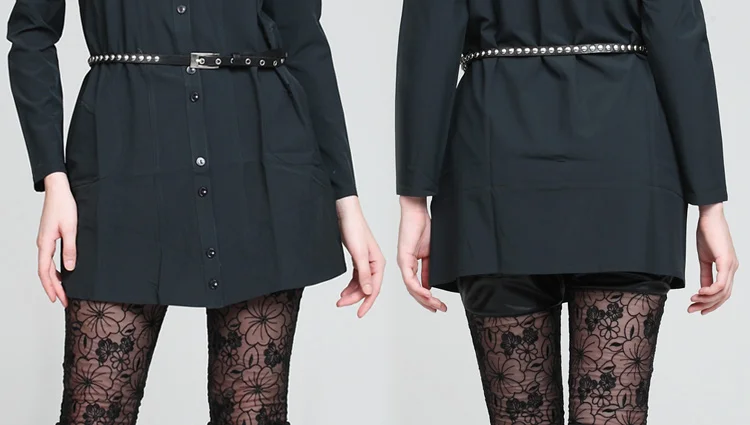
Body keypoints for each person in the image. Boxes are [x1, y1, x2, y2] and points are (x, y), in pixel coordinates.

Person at [7, 0, 384, 424]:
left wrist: (346, 200)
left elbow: (304, 43)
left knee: (252, 415)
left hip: (259, 166)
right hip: (122, 164)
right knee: (94, 413)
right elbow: (31, 32)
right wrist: (53, 178)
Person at [395, 0, 738, 423]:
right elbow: (681, 44)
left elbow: (426, 50)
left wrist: (414, 201)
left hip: (496, 164)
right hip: (624, 163)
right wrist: (710, 205)